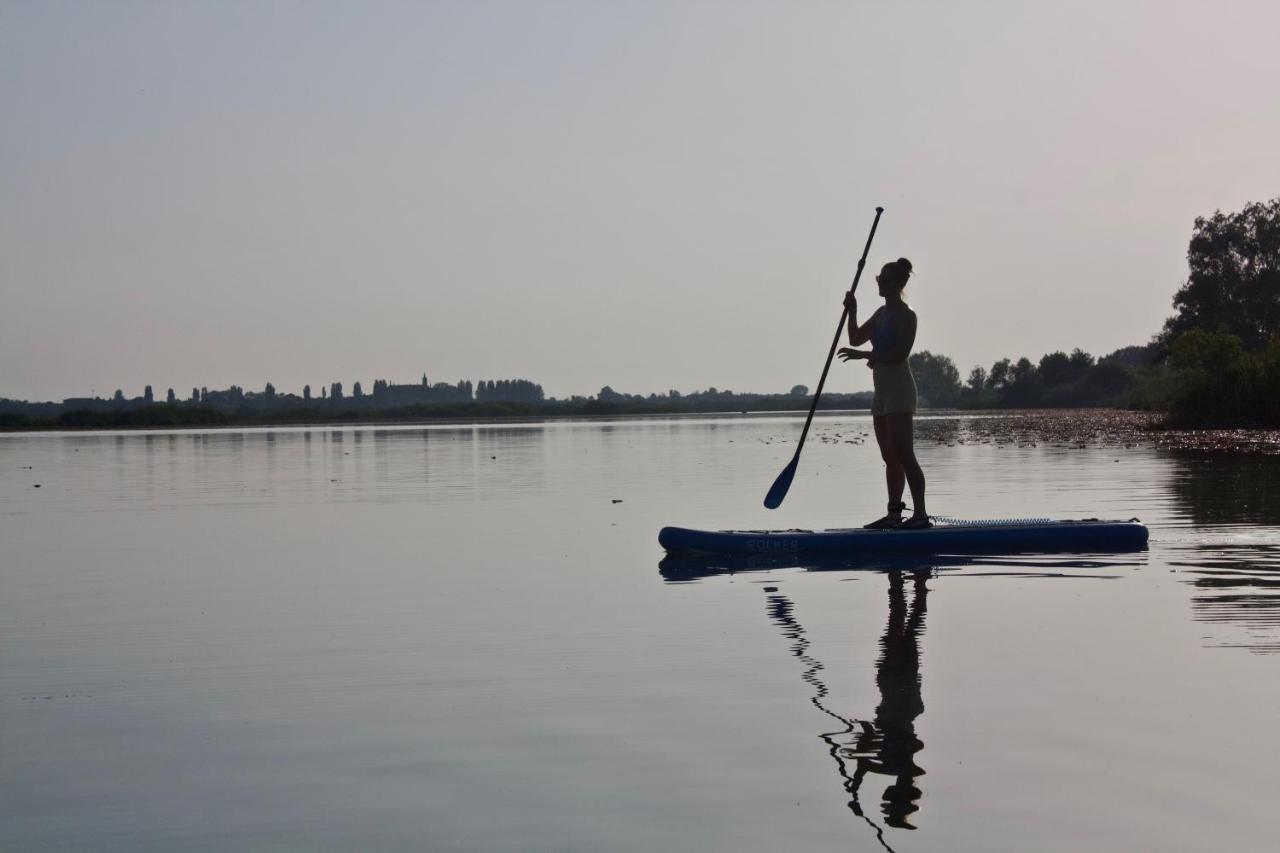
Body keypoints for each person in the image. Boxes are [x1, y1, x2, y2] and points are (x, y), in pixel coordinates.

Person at [838, 258, 930, 529]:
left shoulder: (907, 315)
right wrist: (852, 311)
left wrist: (866, 355)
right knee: (889, 456)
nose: (880, 282)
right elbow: (855, 337)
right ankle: (894, 514)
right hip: (881, 392)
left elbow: (899, 354)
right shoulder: (880, 314)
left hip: (900, 389)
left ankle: (921, 515)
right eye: (879, 278)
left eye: (886, 280)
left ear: (899, 284)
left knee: (904, 453)